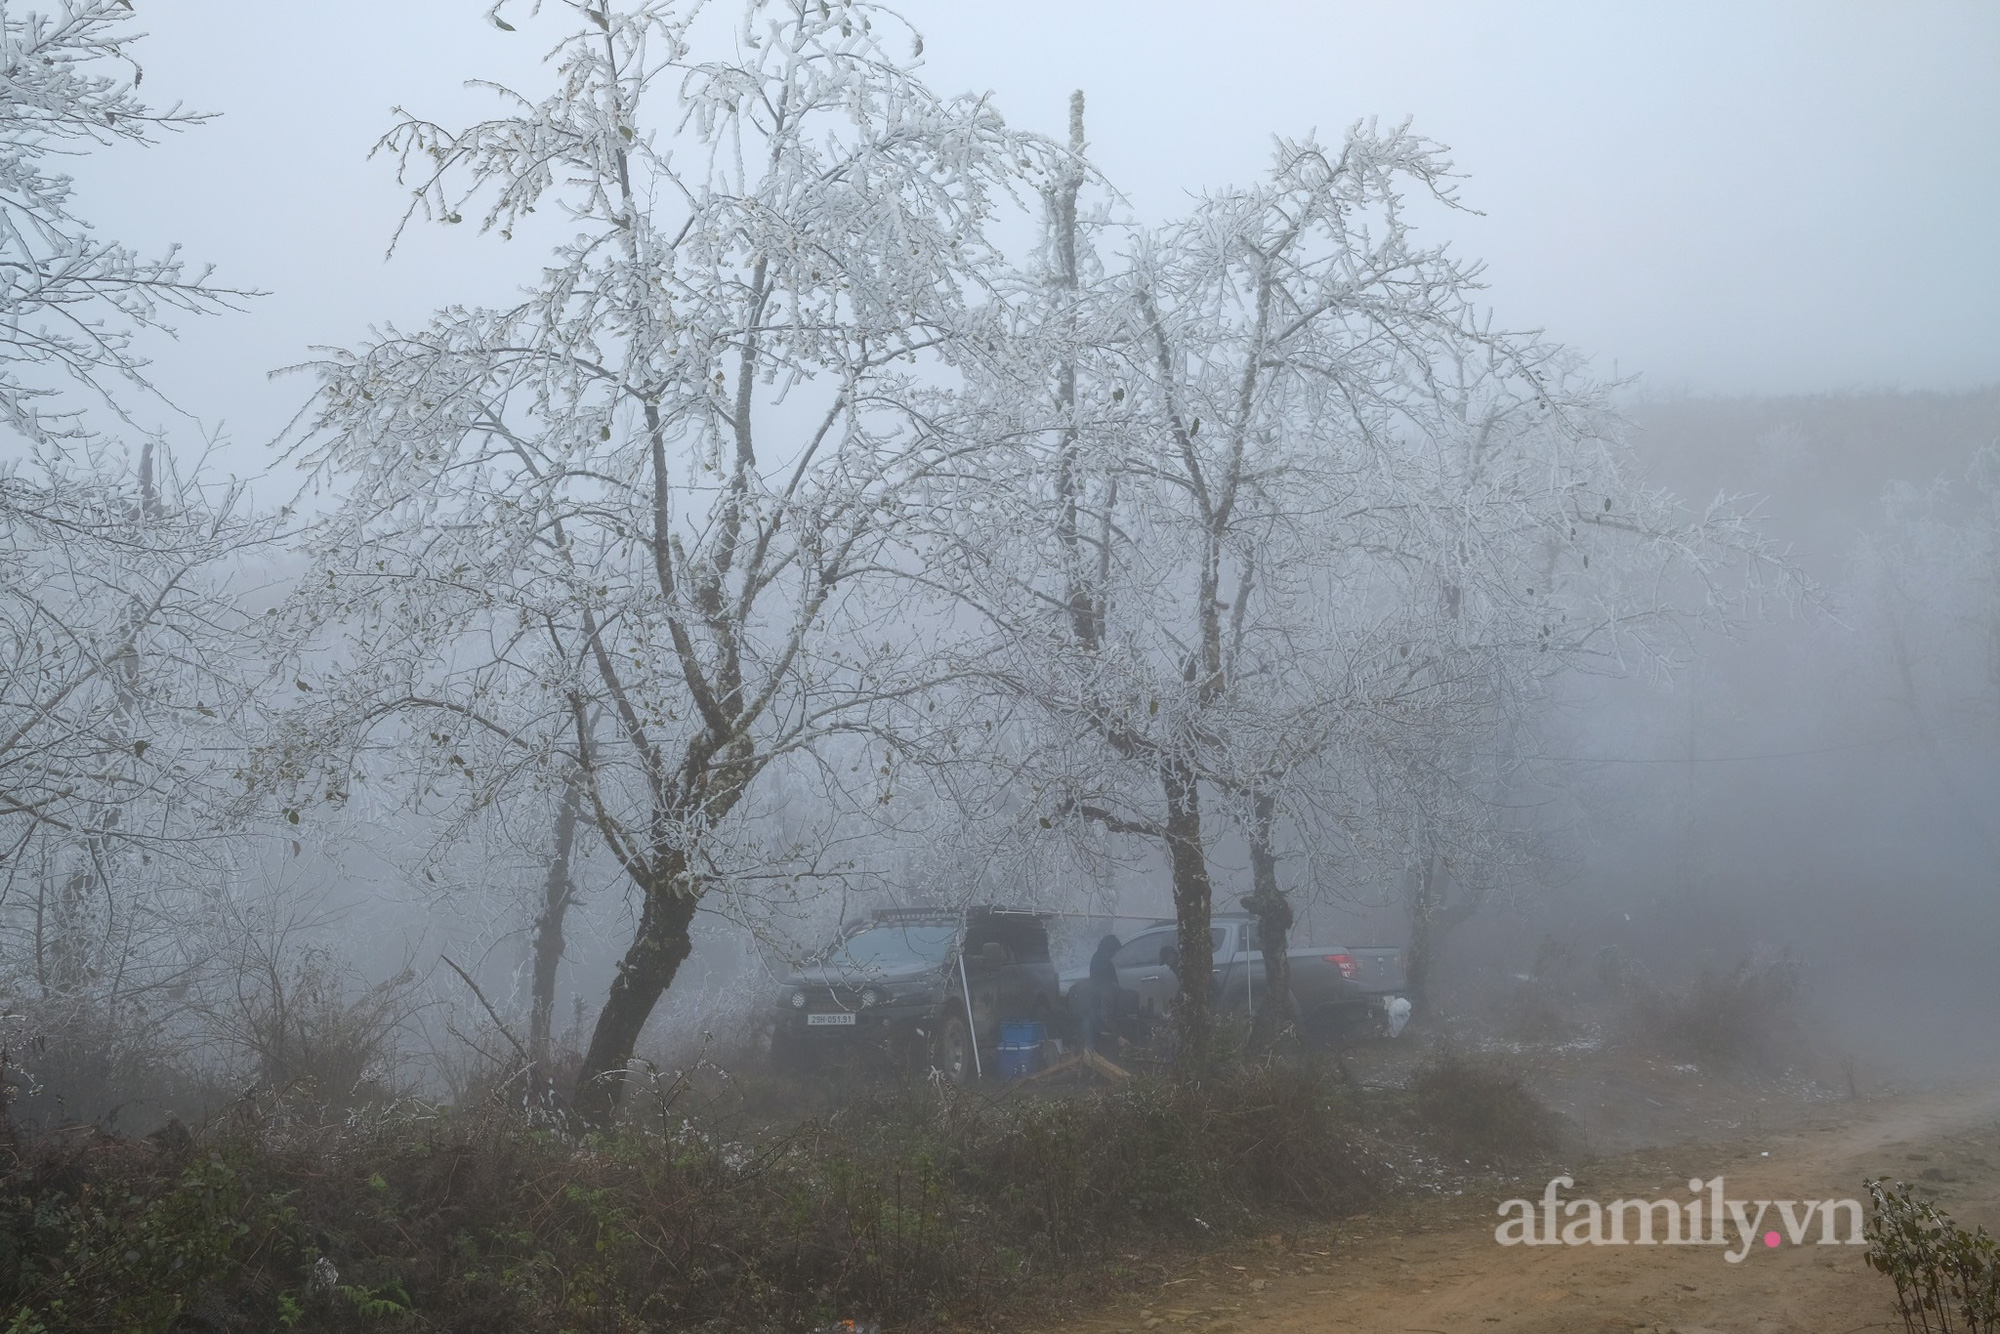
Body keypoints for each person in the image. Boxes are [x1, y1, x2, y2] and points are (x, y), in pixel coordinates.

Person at [1077, 933, 1121, 1054]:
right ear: (1109, 949)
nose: (1114, 955)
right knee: (1092, 1023)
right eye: (1113, 951)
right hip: (1098, 1000)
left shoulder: (1102, 959)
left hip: (1100, 999)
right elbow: (1102, 984)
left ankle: (1093, 1050)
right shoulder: (1099, 961)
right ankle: (1091, 1051)